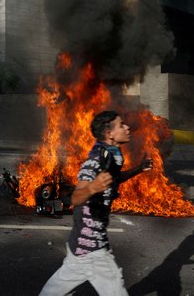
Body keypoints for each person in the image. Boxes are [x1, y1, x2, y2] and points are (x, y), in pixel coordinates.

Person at [39, 111, 153, 296]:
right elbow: (76, 198)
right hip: (92, 248)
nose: (127, 127)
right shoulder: (95, 161)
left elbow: (114, 179)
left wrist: (139, 169)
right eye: (121, 125)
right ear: (110, 134)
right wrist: (92, 187)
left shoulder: (112, 157)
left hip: (84, 244)